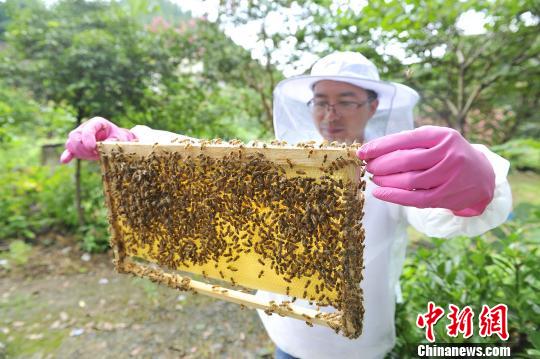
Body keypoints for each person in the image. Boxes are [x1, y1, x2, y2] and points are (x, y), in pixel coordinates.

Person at [60, 52, 512, 359]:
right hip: (287, 333)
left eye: (346, 102)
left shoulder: (396, 165)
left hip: (358, 344)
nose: (330, 115)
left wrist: (480, 182)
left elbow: (440, 216)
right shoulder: (288, 160)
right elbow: (207, 160)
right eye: (321, 102)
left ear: (373, 105)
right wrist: (133, 141)